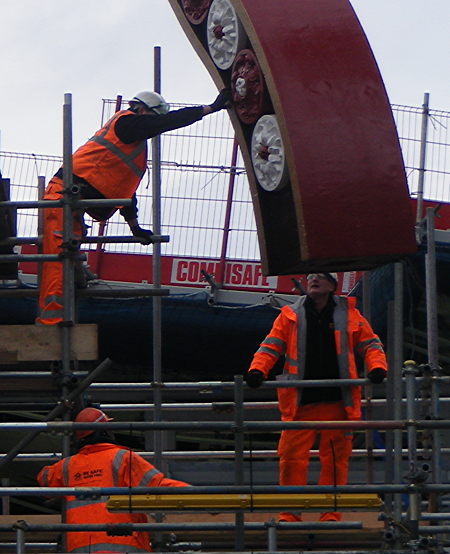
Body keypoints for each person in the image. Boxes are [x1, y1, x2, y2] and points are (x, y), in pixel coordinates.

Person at [37, 89, 232, 325]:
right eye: (149, 116)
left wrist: (134, 227)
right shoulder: (126, 123)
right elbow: (166, 122)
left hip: (74, 204)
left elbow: (126, 191)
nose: (150, 123)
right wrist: (208, 109)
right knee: (59, 258)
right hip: (63, 196)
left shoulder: (134, 144)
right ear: (140, 109)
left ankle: (61, 318)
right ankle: (51, 322)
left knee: (68, 260)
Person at [245, 272, 387, 522]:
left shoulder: (349, 313)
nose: (313, 279)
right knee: (291, 459)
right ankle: (290, 513)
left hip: (337, 401)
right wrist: (257, 370)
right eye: (311, 276)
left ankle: (330, 513)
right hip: (301, 402)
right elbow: (271, 346)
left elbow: (370, 344)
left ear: (332, 285)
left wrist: (377, 367)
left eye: (321, 276)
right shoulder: (289, 314)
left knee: (334, 460)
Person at [37, 407, 188, 553]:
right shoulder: (122, 458)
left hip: (81, 551)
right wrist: (201, 496)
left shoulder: (67, 466)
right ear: (104, 431)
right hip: (124, 549)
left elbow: (44, 480)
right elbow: (158, 487)